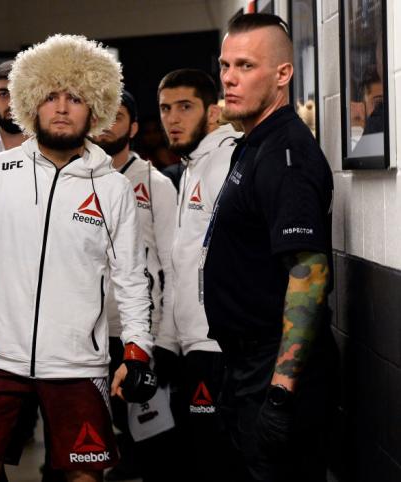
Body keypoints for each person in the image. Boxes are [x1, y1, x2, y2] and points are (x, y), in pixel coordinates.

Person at [0, 34, 156, 482]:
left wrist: (138, 352)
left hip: (80, 365)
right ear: (29, 103)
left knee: (84, 476)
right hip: (1, 359)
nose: (62, 108)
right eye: (50, 96)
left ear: (95, 107)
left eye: (75, 97)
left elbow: (131, 279)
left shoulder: (114, 187)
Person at [204, 13, 338, 481]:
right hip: (245, 365)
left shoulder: (288, 155)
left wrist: (280, 394)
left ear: (283, 74)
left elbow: (309, 271)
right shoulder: (256, 142)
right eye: (225, 65)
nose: (229, 79)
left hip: (274, 371)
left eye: (245, 66)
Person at [157, 68, 240, 481]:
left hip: (217, 348)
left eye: (184, 107)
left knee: (216, 463)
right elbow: (183, 264)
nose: (172, 118)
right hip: (193, 346)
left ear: (212, 112)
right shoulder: (192, 165)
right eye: (166, 109)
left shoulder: (227, 161)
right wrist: (166, 343)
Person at [93, 89, 177, 482]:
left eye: (118, 115)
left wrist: (165, 337)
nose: (108, 123)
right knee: (97, 441)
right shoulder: (79, 178)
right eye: (102, 115)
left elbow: (173, 265)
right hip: (91, 333)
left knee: (152, 436)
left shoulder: (155, 183)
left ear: (134, 126)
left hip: (141, 333)